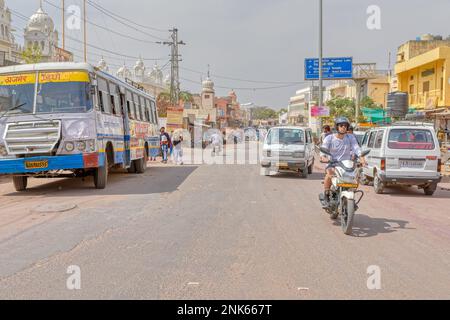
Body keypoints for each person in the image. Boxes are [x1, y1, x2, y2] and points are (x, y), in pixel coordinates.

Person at [320, 117, 366, 209]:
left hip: (347, 165)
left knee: (355, 177)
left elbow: (356, 148)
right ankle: (326, 196)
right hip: (333, 163)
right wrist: (323, 157)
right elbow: (323, 150)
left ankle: (351, 197)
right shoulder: (329, 138)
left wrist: (362, 158)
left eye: (345, 126)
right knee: (329, 173)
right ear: (337, 127)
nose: (344, 127)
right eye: (341, 125)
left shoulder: (350, 137)